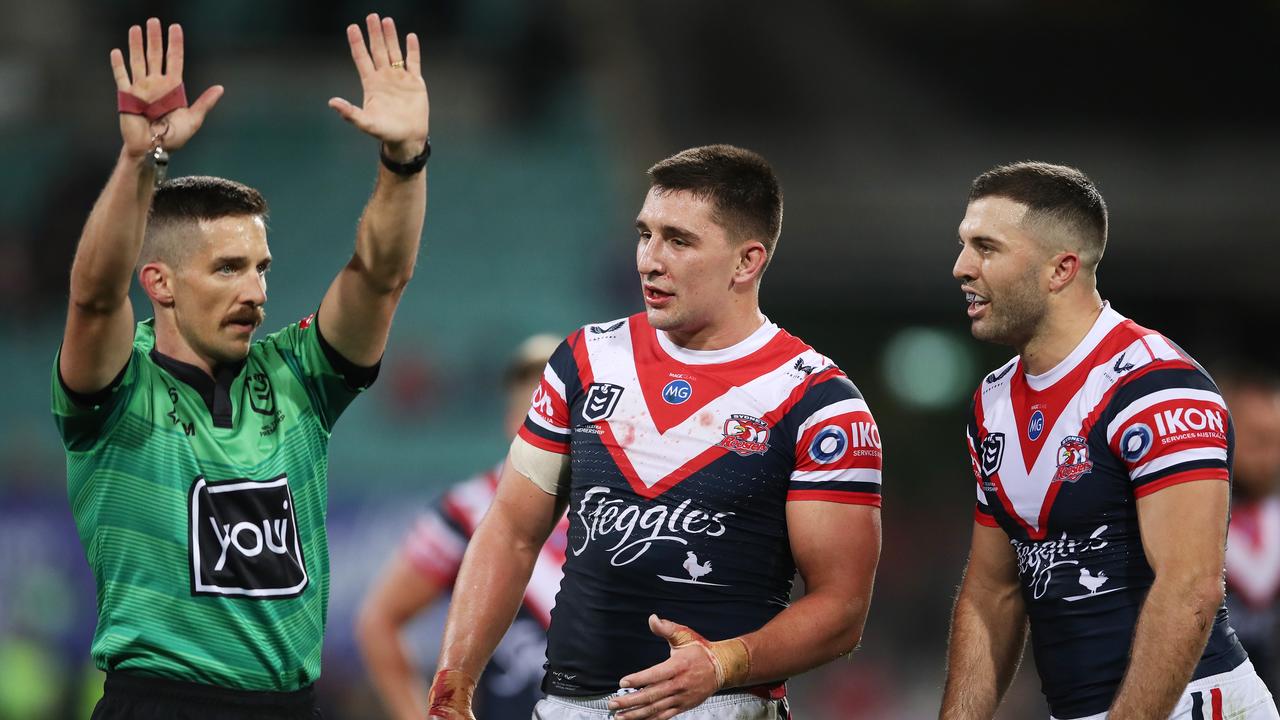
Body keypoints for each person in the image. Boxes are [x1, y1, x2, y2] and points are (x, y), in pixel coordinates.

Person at [50, 14, 428, 718]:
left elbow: (379, 277)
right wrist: (139, 163)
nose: (254, 290)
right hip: (160, 704)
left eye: (260, 268)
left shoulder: (300, 377)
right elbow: (95, 295)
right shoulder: (116, 388)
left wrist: (404, 158)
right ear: (159, 282)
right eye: (227, 268)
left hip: (290, 705)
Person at [424, 145, 883, 720]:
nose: (648, 259)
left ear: (747, 262)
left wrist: (723, 663)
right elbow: (511, 531)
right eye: (645, 234)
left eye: (679, 240)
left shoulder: (819, 403)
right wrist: (454, 688)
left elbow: (842, 609)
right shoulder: (583, 359)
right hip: (568, 709)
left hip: (721, 709)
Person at [940, 161, 1279, 720]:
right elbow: (992, 592)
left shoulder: (1157, 386)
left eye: (986, 247)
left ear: (1061, 269)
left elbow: (1191, 591)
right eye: (963, 245)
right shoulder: (991, 401)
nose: (961, 267)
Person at [356, 334, 569, 720]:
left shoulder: (620, 507)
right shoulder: (468, 509)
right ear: (510, 420)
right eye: (531, 401)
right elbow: (380, 621)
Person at [1220, 367, 1280, 691]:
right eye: (1258, 441)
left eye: (1275, 442)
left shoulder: (1272, 517)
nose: (1269, 457)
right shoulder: (1189, 519)